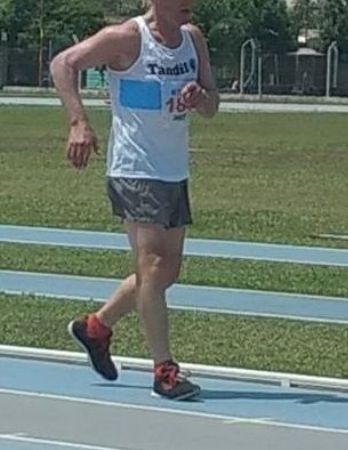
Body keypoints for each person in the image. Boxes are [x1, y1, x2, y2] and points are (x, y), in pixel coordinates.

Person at [50, 0, 219, 401]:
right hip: (134, 168)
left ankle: (96, 328)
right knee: (153, 265)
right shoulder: (126, 38)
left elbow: (213, 104)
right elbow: (63, 63)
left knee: (164, 273)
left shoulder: (193, 40)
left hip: (173, 170)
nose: (190, 6)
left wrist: (199, 98)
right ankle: (164, 370)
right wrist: (78, 121)